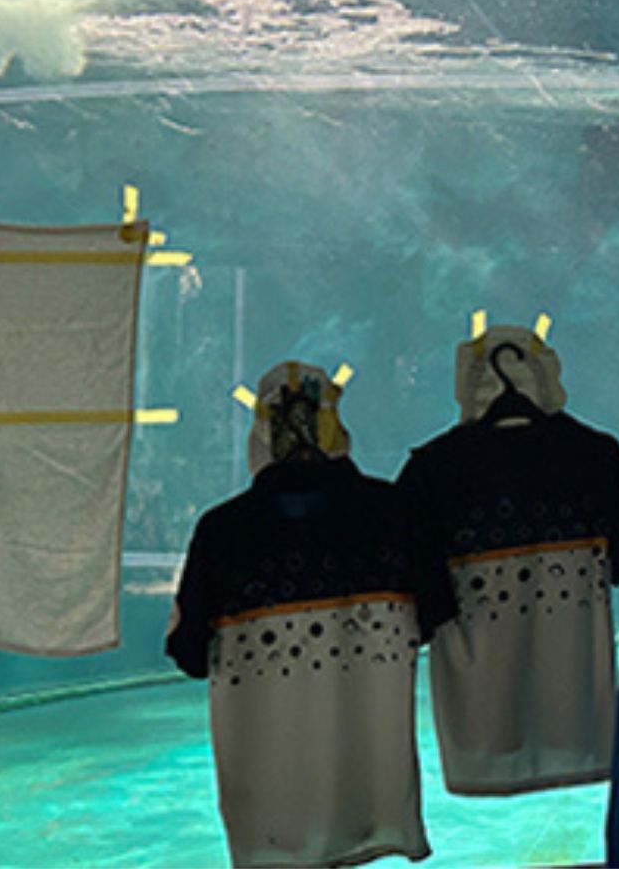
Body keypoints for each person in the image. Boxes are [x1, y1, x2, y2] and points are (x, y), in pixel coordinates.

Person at [167, 362, 438, 868]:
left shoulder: (222, 531)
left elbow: (189, 655)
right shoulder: (394, 512)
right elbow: (435, 615)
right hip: (371, 796)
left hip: (270, 819)